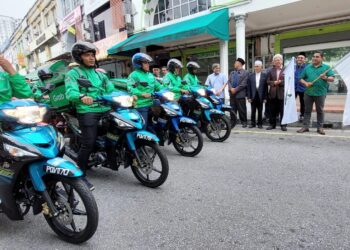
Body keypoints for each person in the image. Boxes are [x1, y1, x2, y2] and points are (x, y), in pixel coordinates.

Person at [65, 41, 115, 190]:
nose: (92, 57)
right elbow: (70, 92)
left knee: (119, 129)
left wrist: (123, 96)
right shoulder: (73, 73)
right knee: (89, 142)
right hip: (88, 110)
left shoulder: (99, 73)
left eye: (92, 54)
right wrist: (81, 97)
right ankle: (80, 175)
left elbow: (110, 88)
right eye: (87, 55)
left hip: (104, 108)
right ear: (79, 57)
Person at [297, 51, 335, 135]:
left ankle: (320, 128)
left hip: (320, 93)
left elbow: (332, 78)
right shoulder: (308, 67)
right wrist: (306, 83)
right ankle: (305, 127)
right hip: (308, 93)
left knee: (320, 111)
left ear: (322, 58)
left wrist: (325, 77)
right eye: (314, 56)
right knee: (307, 110)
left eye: (317, 57)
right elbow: (300, 78)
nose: (314, 58)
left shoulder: (326, 67)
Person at [127, 53, 163, 127]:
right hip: (141, 104)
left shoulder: (150, 75)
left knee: (163, 119)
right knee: (143, 126)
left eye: (148, 63)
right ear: (139, 64)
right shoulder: (134, 75)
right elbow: (131, 88)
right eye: (145, 63)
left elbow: (158, 86)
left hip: (152, 102)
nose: (148, 65)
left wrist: (166, 89)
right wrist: (142, 94)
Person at [266, 54, 287, 131]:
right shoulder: (270, 70)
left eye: (279, 60)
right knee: (272, 110)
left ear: (282, 61)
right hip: (272, 93)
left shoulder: (286, 69)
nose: (277, 61)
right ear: (273, 62)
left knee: (283, 110)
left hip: (282, 93)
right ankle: (272, 124)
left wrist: (280, 82)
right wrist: (274, 83)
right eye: (276, 60)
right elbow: (267, 81)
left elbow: (289, 80)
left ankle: (283, 125)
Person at [228, 58, 248, 128]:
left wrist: (235, 89)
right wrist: (231, 88)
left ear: (239, 64)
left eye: (235, 62)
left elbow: (244, 83)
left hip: (240, 94)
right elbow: (229, 82)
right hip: (232, 94)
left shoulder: (245, 72)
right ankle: (233, 122)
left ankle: (244, 122)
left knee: (242, 109)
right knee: (232, 109)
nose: (234, 64)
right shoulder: (232, 72)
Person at [247, 60, 268, 129]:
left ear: (261, 67)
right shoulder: (250, 75)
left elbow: (265, 88)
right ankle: (252, 123)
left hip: (261, 96)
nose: (256, 68)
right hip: (253, 96)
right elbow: (249, 87)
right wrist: (249, 97)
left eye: (257, 66)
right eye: (255, 66)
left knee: (260, 111)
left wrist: (265, 98)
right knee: (253, 111)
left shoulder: (264, 75)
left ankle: (260, 124)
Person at [295, 52, 308, 122]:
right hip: (294, 88)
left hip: (303, 88)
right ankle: (291, 115)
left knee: (303, 103)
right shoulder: (293, 67)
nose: (300, 59)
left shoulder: (307, 68)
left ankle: (302, 115)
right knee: (291, 102)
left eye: (301, 58)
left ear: (305, 60)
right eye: (298, 58)